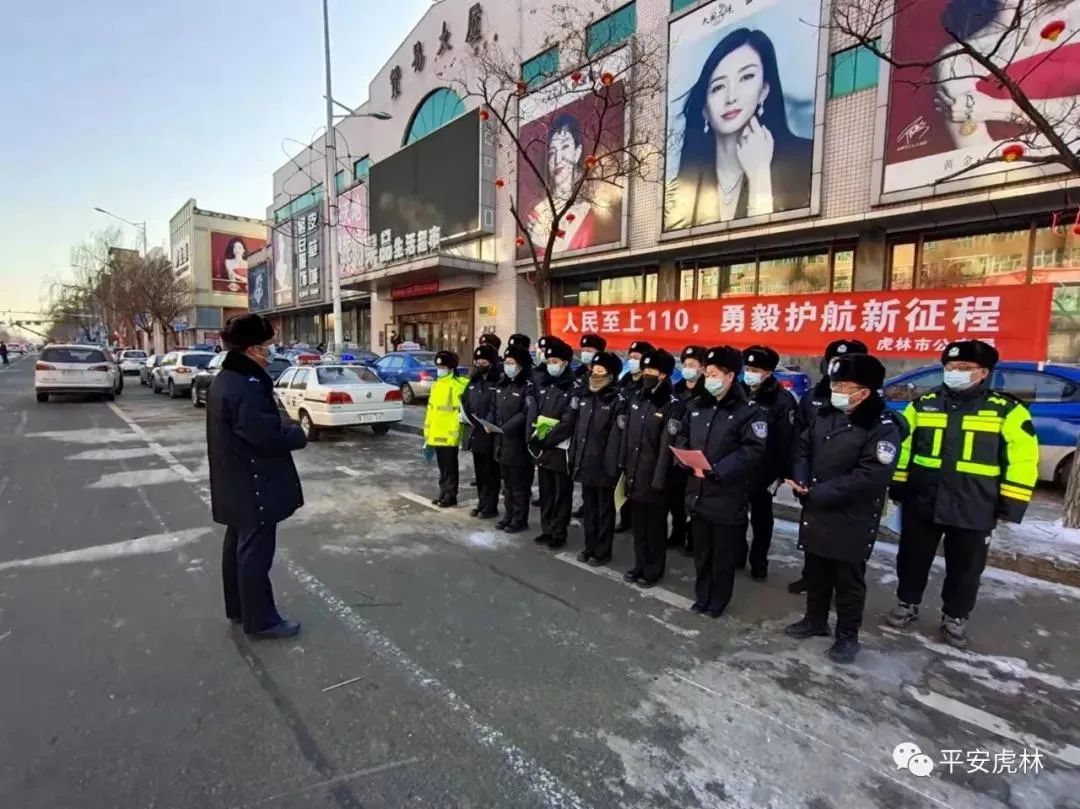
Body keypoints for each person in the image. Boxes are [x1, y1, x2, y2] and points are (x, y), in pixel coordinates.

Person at [886, 339, 1039, 648]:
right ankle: (907, 603)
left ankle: (955, 616)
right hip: (923, 498)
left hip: (975, 503)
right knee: (912, 558)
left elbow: (1023, 459)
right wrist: (898, 483)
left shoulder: (1006, 410)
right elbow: (903, 446)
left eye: (963, 368)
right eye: (950, 367)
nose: (954, 372)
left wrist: (1012, 502)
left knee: (966, 567)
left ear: (983, 373)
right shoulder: (923, 403)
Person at [785, 353, 899, 664]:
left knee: (848, 580)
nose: (837, 391)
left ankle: (847, 635)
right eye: (835, 384)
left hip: (852, 515)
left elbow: (871, 475)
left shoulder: (882, 426)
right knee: (817, 569)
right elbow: (803, 448)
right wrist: (801, 478)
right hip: (817, 507)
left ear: (866, 391)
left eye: (845, 386)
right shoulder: (826, 414)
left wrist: (820, 492)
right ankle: (814, 620)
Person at [207, 313, 306, 639]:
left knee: (238, 546)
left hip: (236, 480)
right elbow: (265, 436)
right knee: (254, 555)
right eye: (267, 345)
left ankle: (239, 608)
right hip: (253, 483)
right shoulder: (244, 385)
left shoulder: (229, 378)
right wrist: (297, 433)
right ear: (251, 349)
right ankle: (262, 621)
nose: (271, 351)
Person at [666, 28, 814, 230]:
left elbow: (771, 244)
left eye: (746, 77)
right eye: (718, 87)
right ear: (704, 109)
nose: (731, 97)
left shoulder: (806, 161)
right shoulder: (680, 189)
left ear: (764, 90)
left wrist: (759, 174)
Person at [676, 346, 767, 618]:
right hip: (698, 490)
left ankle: (719, 600)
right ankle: (702, 595)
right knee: (702, 552)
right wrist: (684, 459)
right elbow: (682, 435)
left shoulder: (748, 411)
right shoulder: (697, 406)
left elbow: (752, 449)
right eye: (707, 372)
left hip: (727, 493)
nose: (708, 378)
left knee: (722, 555)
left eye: (714, 373)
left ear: (730, 377)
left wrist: (718, 470)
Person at [788, 338, 869, 594]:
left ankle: (841, 590)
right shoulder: (815, 396)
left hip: (848, 486)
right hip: (814, 480)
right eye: (834, 361)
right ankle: (811, 579)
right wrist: (800, 476)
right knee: (813, 535)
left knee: (847, 545)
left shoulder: (871, 407)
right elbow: (800, 438)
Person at [621, 350, 685, 588]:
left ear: (664, 375)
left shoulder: (672, 405)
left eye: (652, 371)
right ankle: (639, 563)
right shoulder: (638, 398)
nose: (647, 374)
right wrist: (625, 467)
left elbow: (666, 448)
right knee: (639, 526)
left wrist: (658, 481)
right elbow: (628, 436)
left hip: (656, 478)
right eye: (645, 369)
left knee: (655, 527)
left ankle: (653, 568)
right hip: (635, 473)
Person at [740, 345, 797, 581]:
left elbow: (787, 440)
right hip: (739, 466)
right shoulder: (738, 391)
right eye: (747, 368)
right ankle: (736, 555)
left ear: (768, 372)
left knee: (762, 518)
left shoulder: (781, 399)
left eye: (755, 369)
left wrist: (781, 473)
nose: (749, 373)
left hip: (765, 470)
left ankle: (759, 561)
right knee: (735, 515)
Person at [526, 115, 620, 255]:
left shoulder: (591, 211)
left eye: (565, 147)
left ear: (577, 152)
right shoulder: (537, 213)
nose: (558, 159)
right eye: (552, 153)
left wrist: (544, 242)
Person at [566, 351, 624, 566]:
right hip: (585, 463)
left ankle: (602, 550)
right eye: (594, 370)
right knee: (589, 509)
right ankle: (589, 546)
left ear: (611, 374)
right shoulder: (585, 397)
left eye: (601, 371)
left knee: (604, 511)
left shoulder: (617, 401)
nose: (595, 374)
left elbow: (616, 439)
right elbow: (577, 431)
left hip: (604, 467)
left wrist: (612, 468)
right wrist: (574, 458)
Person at [528, 339, 577, 549]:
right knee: (546, 492)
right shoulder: (546, 385)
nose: (551, 365)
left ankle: (559, 531)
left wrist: (546, 439)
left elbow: (568, 421)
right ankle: (546, 528)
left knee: (561, 493)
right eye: (549, 361)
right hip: (544, 448)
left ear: (565, 363)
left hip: (561, 449)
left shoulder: (573, 388)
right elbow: (536, 412)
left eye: (555, 361)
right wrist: (536, 436)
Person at [668, 346, 708, 556]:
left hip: (698, 455)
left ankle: (693, 538)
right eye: (685, 364)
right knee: (676, 497)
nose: (687, 368)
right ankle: (677, 531)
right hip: (676, 452)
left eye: (692, 365)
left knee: (695, 499)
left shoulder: (708, 392)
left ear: (703, 368)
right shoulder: (676, 390)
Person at [493, 345, 536, 534]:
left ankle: (519, 519)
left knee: (520, 486)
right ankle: (508, 515)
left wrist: (505, 428)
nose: (508, 366)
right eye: (506, 362)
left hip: (518, 443)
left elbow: (526, 413)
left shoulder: (528, 386)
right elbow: (495, 408)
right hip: (502, 442)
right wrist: (491, 424)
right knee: (507, 484)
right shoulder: (503, 384)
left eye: (512, 363)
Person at [615, 340, 655, 533]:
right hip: (623, 439)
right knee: (624, 482)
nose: (632, 361)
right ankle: (625, 518)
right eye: (630, 357)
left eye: (636, 358)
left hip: (642, 441)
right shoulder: (624, 382)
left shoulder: (648, 386)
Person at [424, 351, 469, 508]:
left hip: (450, 434)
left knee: (450, 467)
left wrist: (458, 433)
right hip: (436, 433)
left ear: (451, 368)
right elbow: (431, 410)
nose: (439, 370)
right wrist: (427, 431)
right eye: (438, 367)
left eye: (443, 367)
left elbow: (461, 412)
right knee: (442, 467)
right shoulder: (436, 385)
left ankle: (450, 495)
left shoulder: (458, 385)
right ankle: (443, 492)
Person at [463, 344, 502, 519]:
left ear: (492, 362)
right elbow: (465, 401)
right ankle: (481, 502)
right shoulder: (474, 381)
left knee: (491, 473)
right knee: (480, 473)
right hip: (476, 431)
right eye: (478, 360)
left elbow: (498, 406)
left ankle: (491, 506)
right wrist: (467, 417)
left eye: (484, 361)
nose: (480, 363)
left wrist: (488, 421)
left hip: (491, 433)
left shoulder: (498, 381)